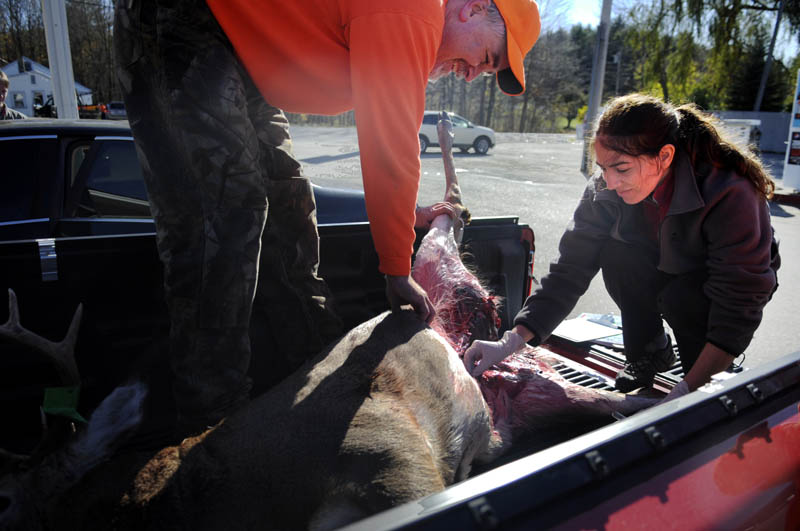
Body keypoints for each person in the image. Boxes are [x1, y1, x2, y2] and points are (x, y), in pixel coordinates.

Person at [113, 0, 541, 435]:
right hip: (185, 24)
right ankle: (210, 434)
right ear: (471, 9)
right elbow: (389, 141)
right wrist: (396, 267)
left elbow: (388, 132)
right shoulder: (414, 11)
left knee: (290, 207)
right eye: (485, 58)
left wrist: (404, 215)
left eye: (483, 72)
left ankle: (314, 384)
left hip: (245, 59)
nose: (471, 73)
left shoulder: (410, 24)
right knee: (224, 218)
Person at [465, 93, 780, 401]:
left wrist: (689, 391)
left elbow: (740, 298)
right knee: (617, 255)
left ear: (665, 157)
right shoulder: (605, 188)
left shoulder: (729, 191)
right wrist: (510, 342)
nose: (610, 182)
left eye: (622, 169)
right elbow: (570, 268)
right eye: (603, 168)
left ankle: (704, 370)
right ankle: (651, 352)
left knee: (681, 300)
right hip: (660, 258)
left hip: (715, 279)